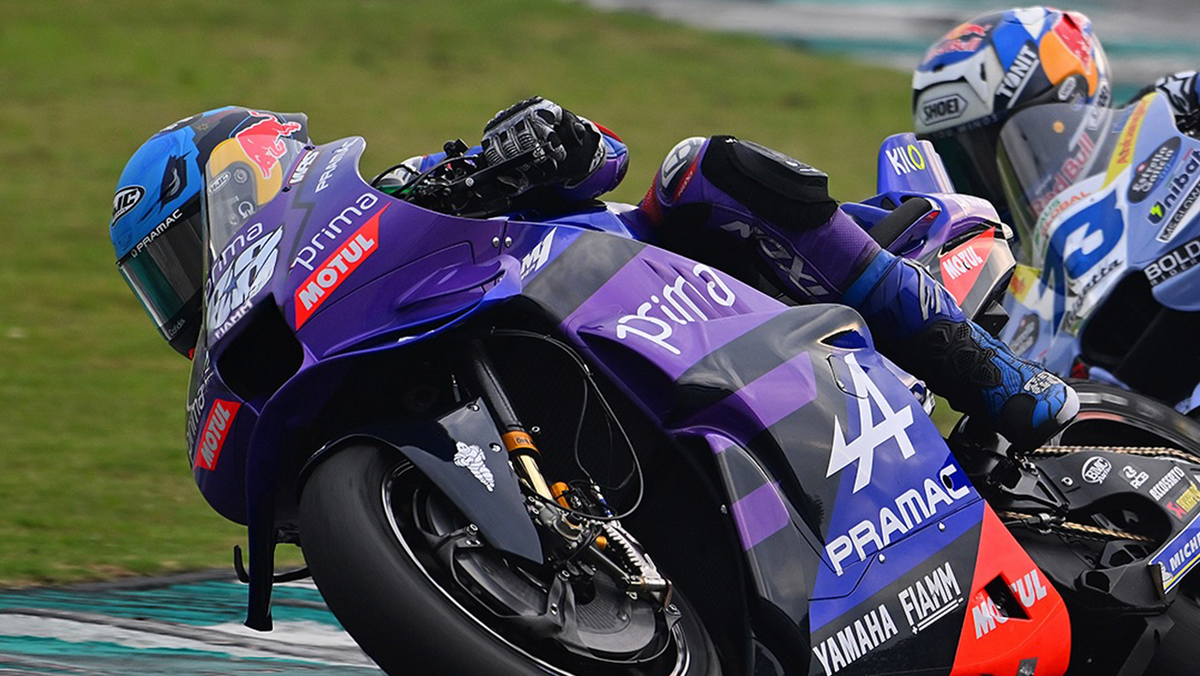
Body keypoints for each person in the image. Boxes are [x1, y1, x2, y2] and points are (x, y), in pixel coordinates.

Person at [110, 99, 1079, 451]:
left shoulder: (383, 199)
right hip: (608, 401)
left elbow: (600, 160)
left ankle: (999, 378)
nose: (186, 289)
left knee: (700, 169)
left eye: (181, 253)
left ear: (245, 180)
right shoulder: (299, 352)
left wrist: (537, 139)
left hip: (650, 282)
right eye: (161, 282)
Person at [912, 6, 1200, 221]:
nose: (984, 179)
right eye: (959, 162)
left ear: (1071, 100)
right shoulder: (995, 259)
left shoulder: (1171, 107)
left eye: (1006, 144)